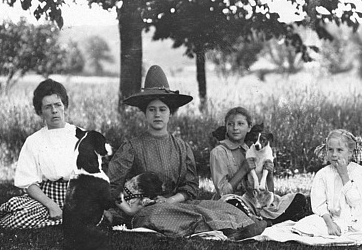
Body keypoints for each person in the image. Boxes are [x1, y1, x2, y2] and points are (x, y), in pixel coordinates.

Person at [106, 65, 266, 239]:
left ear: (170, 113)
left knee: (217, 206)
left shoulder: (182, 148)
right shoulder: (132, 147)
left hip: (176, 204)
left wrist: (170, 200)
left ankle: (239, 225)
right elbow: (111, 184)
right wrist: (129, 209)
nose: (157, 115)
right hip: (148, 209)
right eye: (152, 110)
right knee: (157, 215)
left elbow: (189, 187)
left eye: (162, 110)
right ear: (145, 113)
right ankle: (228, 228)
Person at [0, 79, 78, 229]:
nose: (54, 111)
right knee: (16, 215)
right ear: (40, 111)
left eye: (58, 105)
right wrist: (51, 205)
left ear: (65, 106)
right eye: (48, 107)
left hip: (77, 197)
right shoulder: (34, 141)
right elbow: (29, 183)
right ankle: (63, 218)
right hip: (46, 198)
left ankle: (65, 219)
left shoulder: (81, 136)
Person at [209, 106, 307, 224]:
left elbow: (269, 191)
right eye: (230, 124)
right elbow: (223, 192)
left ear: (249, 127)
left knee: (297, 199)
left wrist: (269, 175)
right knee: (234, 204)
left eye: (240, 124)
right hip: (234, 201)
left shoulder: (252, 150)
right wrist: (243, 169)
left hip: (256, 201)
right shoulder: (219, 152)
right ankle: (265, 220)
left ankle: (262, 219)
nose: (235, 128)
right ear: (226, 126)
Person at [292, 129, 362, 239]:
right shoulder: (322, 174)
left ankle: (350, 230)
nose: (334, 154)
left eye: (339, 150)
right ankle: (334, 230)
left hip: (355, 218)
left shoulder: (357, 171)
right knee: (305, 225)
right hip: (331, 218)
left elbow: (355, 201)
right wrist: (330, 224)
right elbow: (318, 204)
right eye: (330, 150)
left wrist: (344, 175)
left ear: (349, 152)